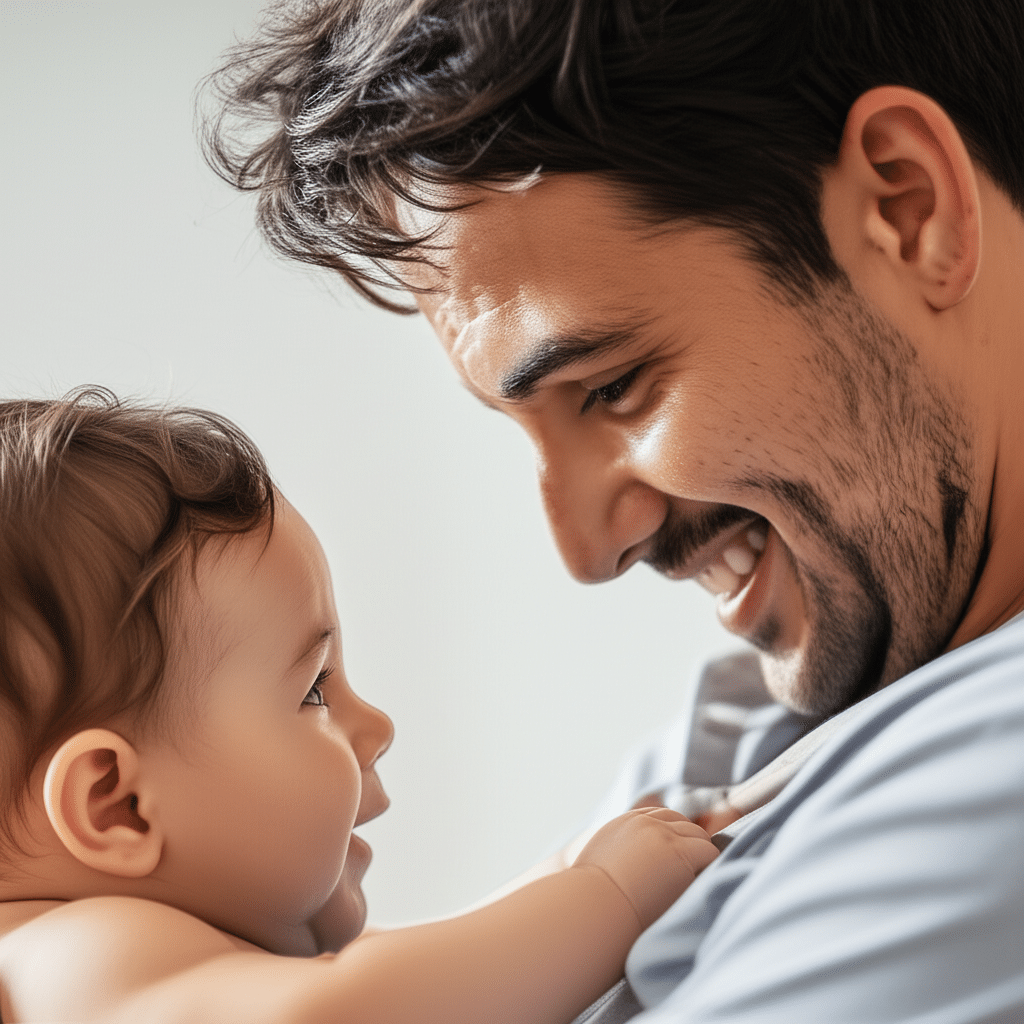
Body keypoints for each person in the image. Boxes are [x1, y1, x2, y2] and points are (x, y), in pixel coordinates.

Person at [201, 0, 1024, 1020]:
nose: (586, 551)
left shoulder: (988, 773)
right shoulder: (753, 724)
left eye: (610, 388)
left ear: (907, 207)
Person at [0, 390, 719, 1024]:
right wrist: (606, 898)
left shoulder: (155, 968)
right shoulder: (73, 955)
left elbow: (438, 981)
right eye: (313, 689)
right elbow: (350, 1009)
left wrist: (571, 871)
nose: (377, 727)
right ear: (118, 805)